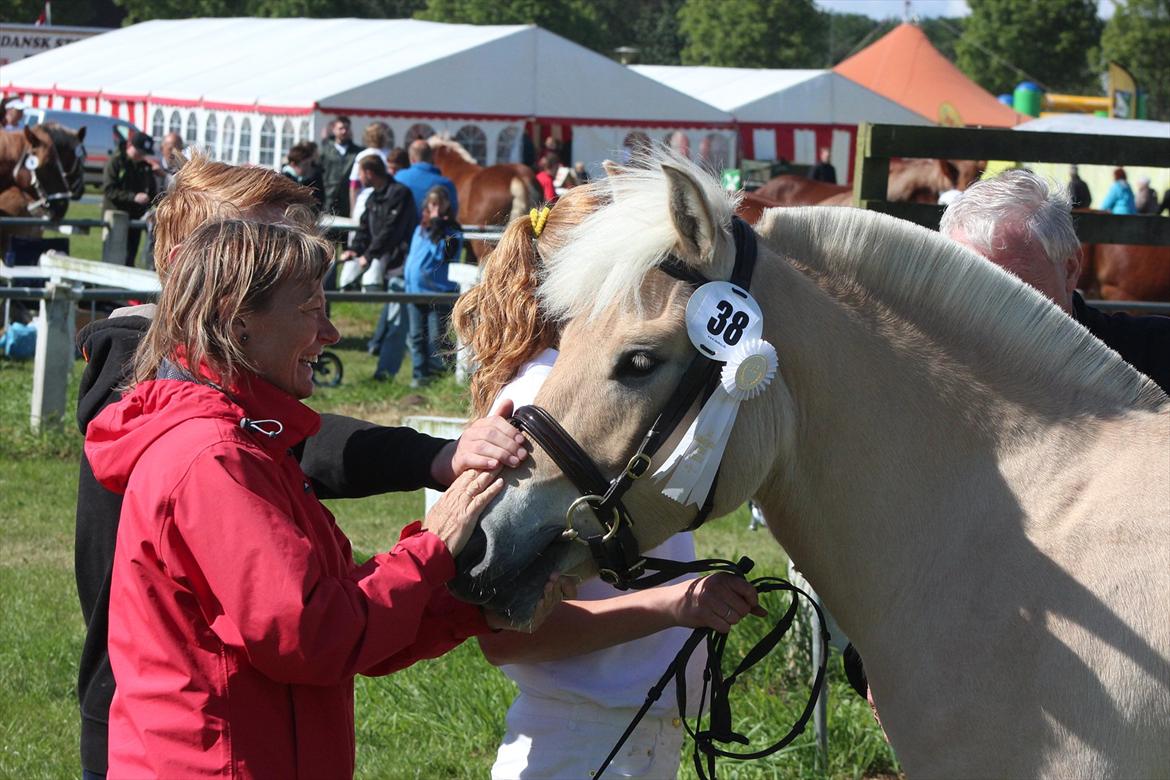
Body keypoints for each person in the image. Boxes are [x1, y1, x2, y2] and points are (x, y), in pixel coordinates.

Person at [73, 153, 529, 779]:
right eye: (310, 309)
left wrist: (473, 606)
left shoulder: (250, 442)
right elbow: (312, 634)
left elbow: (338, 612)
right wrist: (434, 546)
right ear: (237, 322)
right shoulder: (214, 459)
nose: (332, 333)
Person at [451, 187, 765, 779]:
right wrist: (677, 604)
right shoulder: (546, 402)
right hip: (581, 737)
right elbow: (506, 637)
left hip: (630, 730)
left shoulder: (580, 388)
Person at [940, 168, 1170, 393]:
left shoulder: (1156, 355)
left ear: (1070, 269)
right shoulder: (936, 371)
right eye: (970, 288)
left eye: (1014, 289)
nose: (990, 312)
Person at [340, 154, 418, 381]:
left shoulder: (400, 194)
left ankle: (388, 372)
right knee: (394, 318)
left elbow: (391, 231)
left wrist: (369, 255)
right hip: (385, 262)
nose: (359, 178)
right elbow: (365, 228)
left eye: (360, 173)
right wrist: (354, 249)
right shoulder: (374, 197)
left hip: (400, 264)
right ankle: (387, 364)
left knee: (398, 321)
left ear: (369, 173)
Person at [404, 186, 461, 388]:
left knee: (437, 337)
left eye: (438, 204)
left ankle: (454, 368)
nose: (434, 209)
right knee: (416, 335)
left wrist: (438, 226)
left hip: (438, 292)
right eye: (431, 204)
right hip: (415, 291)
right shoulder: (421, 229)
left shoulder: (452, 231)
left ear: (446, 206)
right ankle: (420, 374)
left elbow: (445, 255)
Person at [101, 131, 158, 267]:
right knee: (114, 257)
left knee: (130, 256)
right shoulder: (116, 162)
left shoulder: (145, 167)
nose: (142, 156)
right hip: (117, 216)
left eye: (144, 153)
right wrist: (133, 197)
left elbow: (152, 191)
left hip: (136, 218)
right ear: (130, 146)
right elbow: (109, 189)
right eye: (139, 152)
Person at [395, 139, 459, 219]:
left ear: (411, 159)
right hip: (433, 226)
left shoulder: (398, 178)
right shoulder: (446, 184)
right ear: (431, 158)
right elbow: (452, 214)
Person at [318, 115, 361, 216]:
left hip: (348, 202)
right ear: (334, 130)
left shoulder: (357, 152)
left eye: (347, 128)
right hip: (328, 199)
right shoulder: (324, 151)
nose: (344, 131)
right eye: (341, 128)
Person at [348, 121, 393, 215]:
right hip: (386, 202)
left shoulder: (362, 155)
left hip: (363, 203)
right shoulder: (390, 155)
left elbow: (354, 185)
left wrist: (352, 210)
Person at [282, 140, 325, 211]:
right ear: (293, 164)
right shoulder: (284, 180)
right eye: (305, 165)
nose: (308, 168)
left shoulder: (312, 179)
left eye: (309, 164)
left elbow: (319, 200)